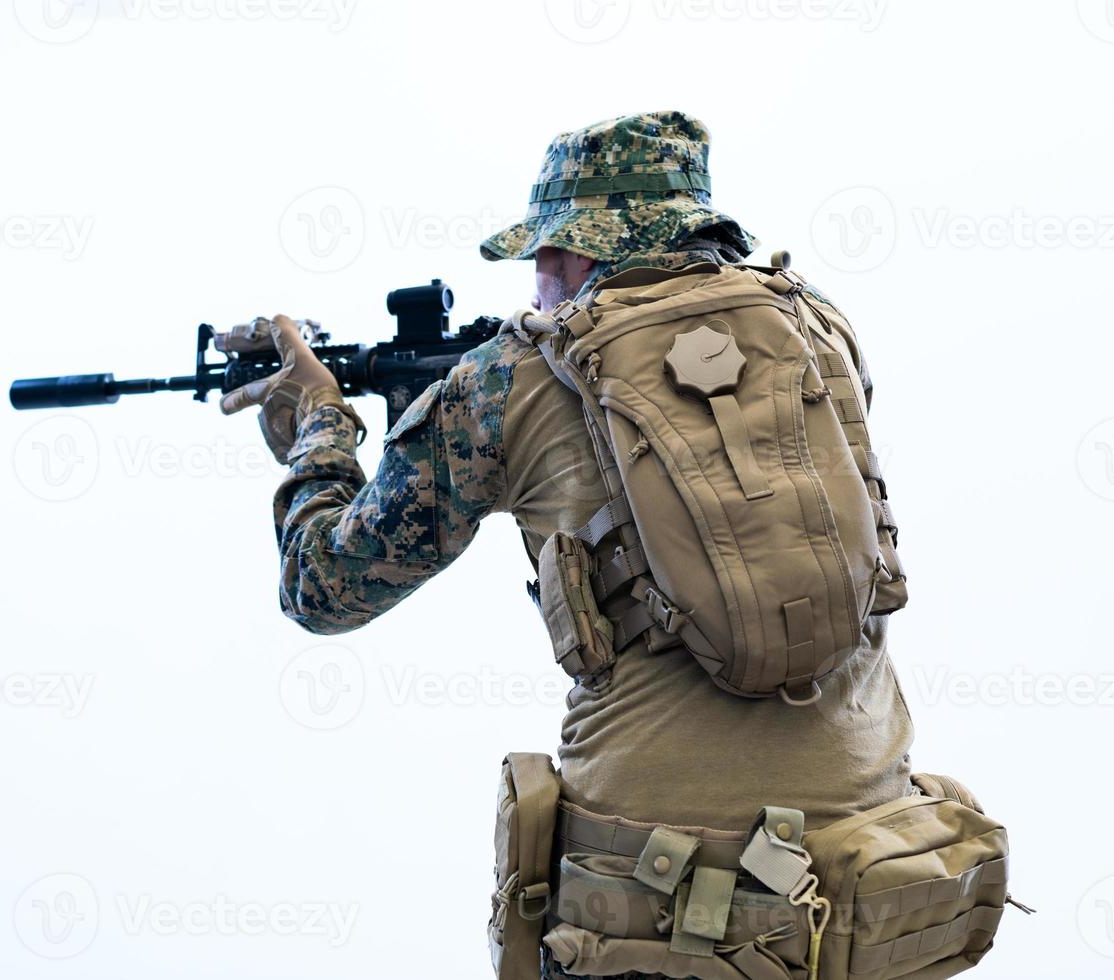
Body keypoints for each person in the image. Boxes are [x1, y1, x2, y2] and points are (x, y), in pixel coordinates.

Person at [220, 112, 915, 980]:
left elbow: (320, 586)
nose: (537, 280)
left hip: (652, 910)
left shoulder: (509, 378)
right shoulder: (823, 329)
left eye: (544, 254)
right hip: (871, 884)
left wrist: (319, 429)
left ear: (581, 251)